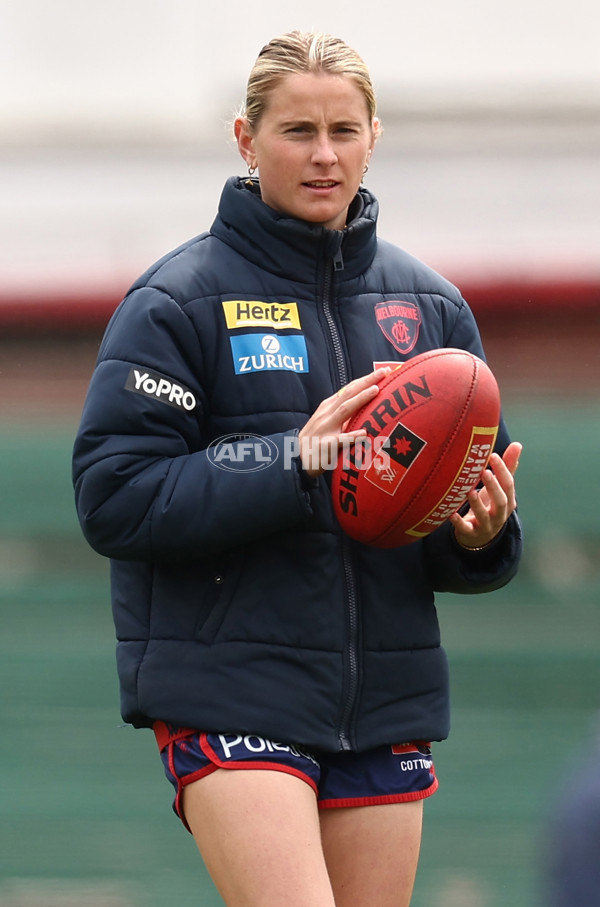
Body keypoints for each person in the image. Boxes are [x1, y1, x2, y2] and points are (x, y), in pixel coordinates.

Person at [72, 30, 523, 907]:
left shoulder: (431, 308)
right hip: (231, 692)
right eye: (297, 131)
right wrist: (292, 459)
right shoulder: (175, 302)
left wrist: (479, 536)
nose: (324, 156)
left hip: (383, 700)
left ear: (374, 135)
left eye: (344, 131)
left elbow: (434, 526)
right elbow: (114, 497)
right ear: (246, 139)